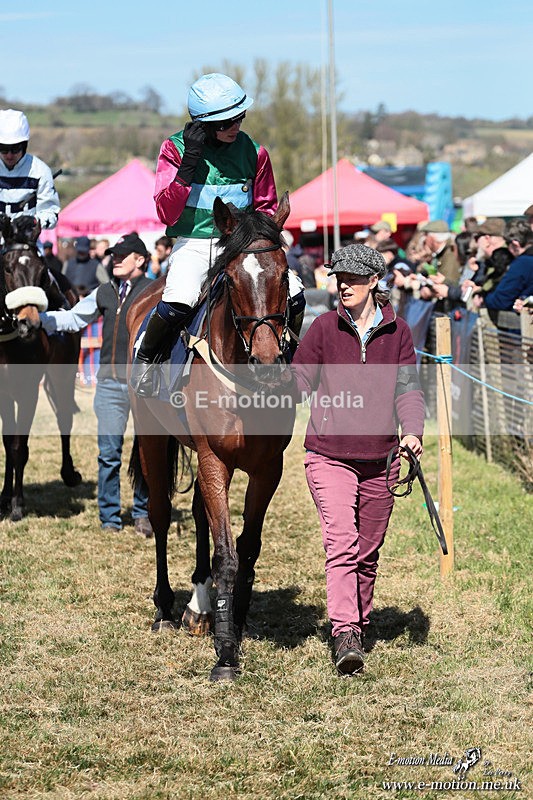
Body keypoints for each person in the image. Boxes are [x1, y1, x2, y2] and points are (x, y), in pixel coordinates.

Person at [291, 243, 425, 675]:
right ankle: (345, 632)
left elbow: (408, 388)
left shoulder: (398, 332)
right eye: (338, 277)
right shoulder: (324, 328)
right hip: (329, 455)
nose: (342, 284)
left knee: (368, 553)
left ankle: (360, 625)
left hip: (382, 458)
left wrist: (413, 434)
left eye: (351, 277)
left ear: (373, 281)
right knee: (343, 545)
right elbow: (299, 379)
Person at [131, 72, 305, 396]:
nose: (234, 126)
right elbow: (165, 212)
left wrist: (258, 239)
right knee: (180, 299)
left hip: (244, 243)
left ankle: (289, 362)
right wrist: (188, 166)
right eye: (225, 123)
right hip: (196, 242)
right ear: (203, 124)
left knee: (294, 291)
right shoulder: (174, 148)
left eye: (238, 117)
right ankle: (146, 357)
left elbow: (266, 206)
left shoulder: (256, 152)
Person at [39, 233, 154, 537]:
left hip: (145, 387)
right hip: (109, 385)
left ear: (139, 259)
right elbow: (74, 319)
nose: (114, 259)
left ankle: (143, 513)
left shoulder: (155, 292)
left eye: (122, 255)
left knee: (145, 452)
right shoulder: (105, 291)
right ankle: (110, 518)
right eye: (113, 255)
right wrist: (40, 319)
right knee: (108, 453)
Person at [0, 109, 60, 234]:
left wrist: (33, 221)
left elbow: (51, 214)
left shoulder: (41, 171)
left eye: (15, 149)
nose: (9, 155)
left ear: (24, 145)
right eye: (3, 149)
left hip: (27, 240)